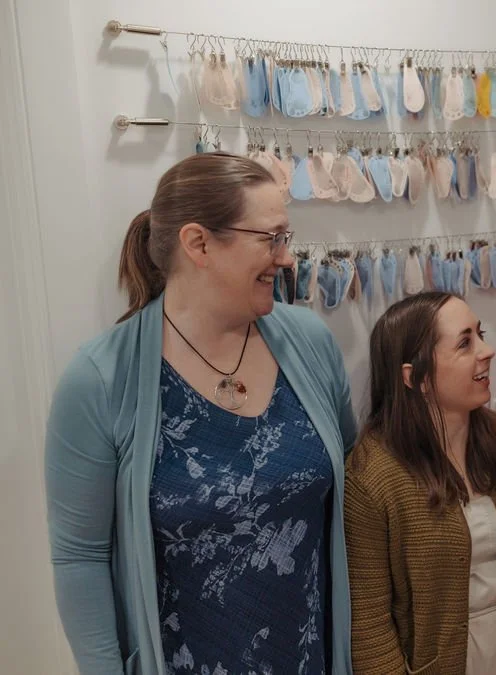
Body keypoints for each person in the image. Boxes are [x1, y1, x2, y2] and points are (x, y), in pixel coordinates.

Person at [44, 152, 359, 675]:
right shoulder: (100, 380)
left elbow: (357, 495)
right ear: (199, 244)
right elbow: (79, 559)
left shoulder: (310, 344)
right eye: (271, 238)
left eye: (287, 236)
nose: (286, 257)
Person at [344, 291, 496, 675]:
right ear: (416, 377)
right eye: (465, 343)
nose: (487, 351)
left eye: (480, 335)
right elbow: (370, 628)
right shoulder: (371, 476)